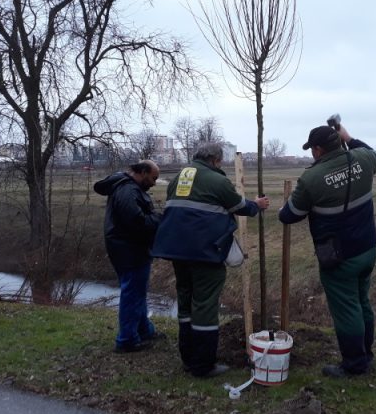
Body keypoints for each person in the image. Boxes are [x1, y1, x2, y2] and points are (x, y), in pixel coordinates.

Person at [151, 143, 270, 378]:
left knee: (185, 301)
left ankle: (188, 358)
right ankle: (203, 365)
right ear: (215, 160)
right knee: (205, 305)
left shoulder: (179, 177)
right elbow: (238, 206)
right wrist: (257, 205)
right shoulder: (216, 180)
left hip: (177, 251)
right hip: (205, 252)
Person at [278, 124, 376, 378]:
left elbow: (288, 216)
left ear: (317, 149)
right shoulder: (363, 159)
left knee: (347, 310)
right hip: (367, 248)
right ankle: (366, 355)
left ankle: (355, 365)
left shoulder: (312, 178)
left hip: (339, 257)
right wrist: (349, 137)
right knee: (361, 302)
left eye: (312, 149)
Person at [94, 160, 163, 353]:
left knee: (137, 292)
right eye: (153, 178)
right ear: (142, 172)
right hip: (129, 251)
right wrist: (160, 218)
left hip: (129, 249)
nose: (154, 183)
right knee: (132, 294)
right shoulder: (127, 191)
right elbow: (137, 223)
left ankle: (144, 330)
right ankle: (126, 340)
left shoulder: (127, 188)